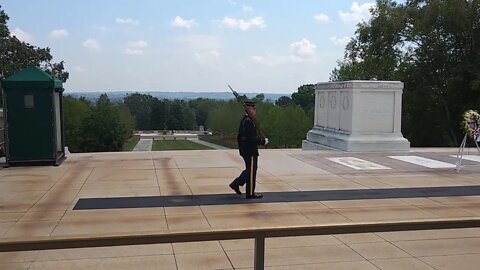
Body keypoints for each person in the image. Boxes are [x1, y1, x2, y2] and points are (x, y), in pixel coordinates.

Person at [229, 100, 268, 199]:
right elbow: (251, 139)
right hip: (250, 151)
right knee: (251, 171)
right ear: (249, 109)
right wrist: (262, 142)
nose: (255, 111)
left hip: (246, 150)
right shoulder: (248, 122)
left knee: (250, 170)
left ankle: (236, 183)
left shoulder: (246, 120)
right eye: (254, 109)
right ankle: (250, 193)